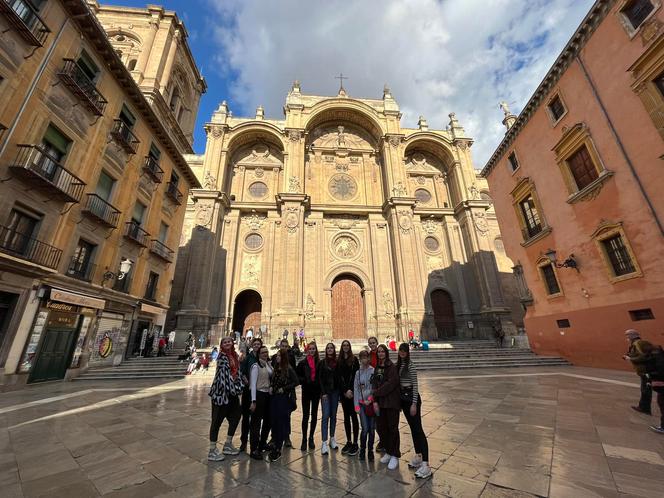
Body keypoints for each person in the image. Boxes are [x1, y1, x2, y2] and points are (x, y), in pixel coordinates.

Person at [397, 343, 431, 478]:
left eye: (404, 350)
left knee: (418, 430)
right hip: (404, 400)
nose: (402, 352)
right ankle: (418, 455)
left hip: (411, 399)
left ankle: (426, 464)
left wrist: (414, 404)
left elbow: (415, 386)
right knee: (412, 429)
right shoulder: (400, 365)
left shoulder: (410, 365)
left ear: (407, 352)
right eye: (401, 350)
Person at [208, 336, 244, 461]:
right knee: (216, 421)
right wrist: (237, 388)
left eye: (229, 341)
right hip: (221, 394)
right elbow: (224, 377)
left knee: (236, 416)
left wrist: (240, 382)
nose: (227, 343)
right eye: (225, 342)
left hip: (232, 394)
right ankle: (212, 450)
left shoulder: (234, 356)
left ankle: (228, 444)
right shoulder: (222, 357)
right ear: (222, 344)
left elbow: (237, 372)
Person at [372, 344, 401, 470]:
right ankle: (389, 452)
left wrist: (376, 393)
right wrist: (375, 399)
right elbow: (374, 382)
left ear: (386, 353)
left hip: (391, 402)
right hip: (381, 403)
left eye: (382, 352)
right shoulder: (377, 367)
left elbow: (391, 384)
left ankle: (395, 454)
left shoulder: (392, 367)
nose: (380, 354)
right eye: (379, 352)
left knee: (393, 428)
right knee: (382, 428)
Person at [268, 349, 299, 462]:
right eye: (277, 356)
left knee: (281, 422)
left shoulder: (288, 368)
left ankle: (278, 448)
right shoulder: (277, 366)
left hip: (283, 399)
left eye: (279, 356)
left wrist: (284, 389)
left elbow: (296, 381)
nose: (277, 357)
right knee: (274, 421)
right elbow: (274, 379)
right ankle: (275, 442)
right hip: (275, 397)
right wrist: (271, 386)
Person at [249, 345, 274, 459]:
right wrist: (253, 401)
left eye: (266, 352)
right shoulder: (255, 366)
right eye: (263, 352)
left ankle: (262, 443)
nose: (265, 354)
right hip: (258, 395)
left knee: (268, 421)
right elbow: (253, 385)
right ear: (259, 354)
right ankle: (254, 449)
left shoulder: (268, 365)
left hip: (267, 396)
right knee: (256, 423)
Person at [239, 338, 263, 453]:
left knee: (257, 418)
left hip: (259, 392)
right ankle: (243, 441)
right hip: (248, 392)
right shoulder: (248, 358)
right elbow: (242, 372)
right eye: (255, 344)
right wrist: (247, 381)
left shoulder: (263, 357)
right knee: (246, 418)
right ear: (252, 345)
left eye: (259, 344)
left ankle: (255, 440)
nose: (257, 346)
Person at [623, 329, 654, 415]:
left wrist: (630, 358)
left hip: (646, 370)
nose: (627, 338)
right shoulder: (640, 343)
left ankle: (644, 408)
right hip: (646, 370)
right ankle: (643, 406)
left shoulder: (638, 343)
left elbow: (644, 357)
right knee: (645, 388)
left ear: (632, 336)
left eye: (627, 336)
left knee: (646, 389)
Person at [296, 341, 320, 451]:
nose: (312, 350)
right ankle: (304, 439)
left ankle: (311, 438)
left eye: (313, 349)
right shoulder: (302, 363)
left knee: (314, 415)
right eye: (310, 349)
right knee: (305, 416)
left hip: (316, 392)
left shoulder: (320, 363)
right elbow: (297, 377)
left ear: (316, 350)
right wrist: (305, 381)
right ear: (307, 350)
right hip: (306, 391)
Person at [338, 340, 360, 456]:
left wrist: (351, 390)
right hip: (344, 393)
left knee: (354, 416)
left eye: (347, 345)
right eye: (344, 345)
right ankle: (348, 441)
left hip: (352, 393)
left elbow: (356, 376)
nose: (345, 347)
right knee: (346, 417)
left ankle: (356, 443)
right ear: (342, 347)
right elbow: (339, 377)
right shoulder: (339, 360)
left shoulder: (354, 360)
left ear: (349, 347)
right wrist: (344, 391)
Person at [354, 349, 375, 461]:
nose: (364, 359)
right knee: (365, 428)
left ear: (368, 358)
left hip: (370, 404)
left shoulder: (373, 370)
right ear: (360, 359)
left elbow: (374, 387)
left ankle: (370, 451)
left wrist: (371, 399)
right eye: (362, 357)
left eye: (366, 357)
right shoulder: (358, 373)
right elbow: (356, 389)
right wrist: (356, 405)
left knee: (372, 429)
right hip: (361, 405)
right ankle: (362, 449)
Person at [319, 342, 340, 455]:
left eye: (332, 348)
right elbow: (320, 379)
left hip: (335, 392)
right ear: (326, 350)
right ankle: (323, 442)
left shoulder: (337, 363)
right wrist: (323, 393)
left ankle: (332, 438)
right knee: (325, 415)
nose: (330, 349)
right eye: (328, 348)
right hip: (326, 393)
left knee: (333, 415)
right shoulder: (322, 363)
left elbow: (339, 378)